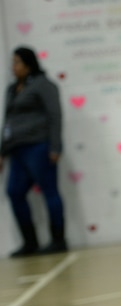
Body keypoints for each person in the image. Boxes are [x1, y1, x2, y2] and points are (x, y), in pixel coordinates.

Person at [0, 47, 66, 257]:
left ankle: (58, 240)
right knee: (14, 192)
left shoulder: (44, 85)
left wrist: (55, 147)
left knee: (49, 191)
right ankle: (30, 243)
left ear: (28, 64)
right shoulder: (12, 89)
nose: (13, 67)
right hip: (16, 150)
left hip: (39, 146)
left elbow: (55, 116)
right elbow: (8, 121)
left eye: (17, 62)